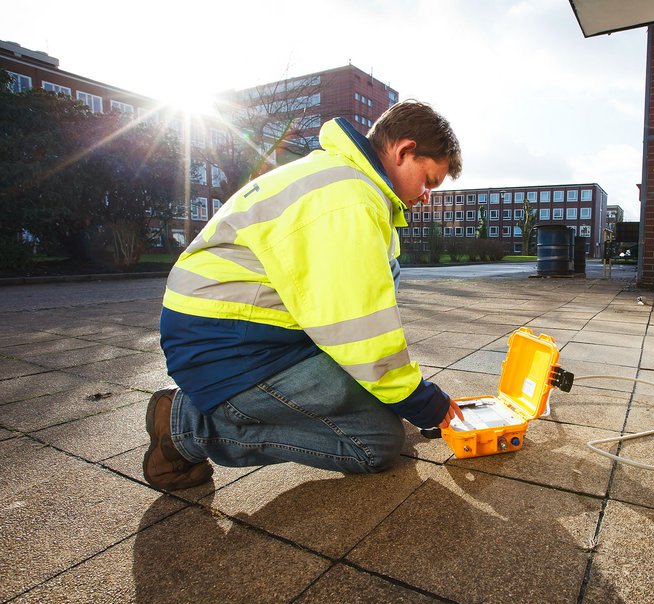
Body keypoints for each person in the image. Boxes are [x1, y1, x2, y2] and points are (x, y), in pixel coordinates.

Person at [143, 100, 464, 490]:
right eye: (429, 180)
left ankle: (217, 408)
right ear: (403, 151)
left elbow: (349, 311)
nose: (427, 195)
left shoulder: (338, 178)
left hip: (235, 328)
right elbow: (359, 327)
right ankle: (187, 425)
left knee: (386, 284)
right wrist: (421, 400)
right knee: (377, 442)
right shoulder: (350, 199)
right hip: (227, 344)